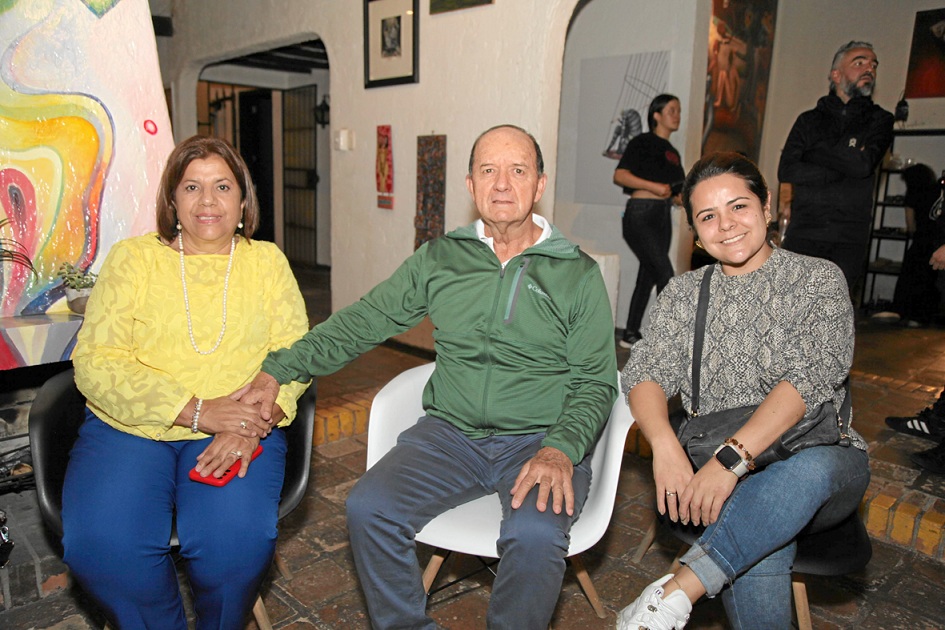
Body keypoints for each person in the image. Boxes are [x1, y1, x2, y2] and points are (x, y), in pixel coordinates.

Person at [243, 124, 618, 629]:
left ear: (540, 184)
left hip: (540, 440)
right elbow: (363, 321)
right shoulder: (442, 258)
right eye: (488, 170)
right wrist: (279, 369)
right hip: (449, 436)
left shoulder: (576, 273)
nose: (502, 184)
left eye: (517, 171)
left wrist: (560, 449)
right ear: (470, 185)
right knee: (368, 508)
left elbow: (597, 381)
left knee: (534, 535)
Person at [63, 135, 311, 629]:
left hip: (239, 428)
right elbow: (96, 360)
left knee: (233, 547)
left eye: (222, 186)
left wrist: (248, 423)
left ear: (243, 201)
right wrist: (197, 410)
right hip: (129, 430)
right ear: (172, 200)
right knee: (103, 547)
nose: (207, 201)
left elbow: (295, 354)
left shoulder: (266, 263)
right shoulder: (133, 260)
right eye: (191, 187)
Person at [616, 152, 870, 629]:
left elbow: (808, 378)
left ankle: (677, 591)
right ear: (693, 227)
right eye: (708, 216)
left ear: (767, 206)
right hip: (724, 478)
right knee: (758, 527)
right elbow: (644, 371)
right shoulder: (683, 294)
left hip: (821, 467)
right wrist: (665, 446)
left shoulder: (817, 279)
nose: (726, 225)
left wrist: (731, 461)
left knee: (802, 473)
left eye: (739, 206)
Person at [777, 40, 894, 291]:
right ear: (836, 74)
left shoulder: (880, 120)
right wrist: (845, 162)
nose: (869, 69)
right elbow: (787, 170)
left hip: (849, 237)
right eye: (859, 62)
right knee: (790, 311)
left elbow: (864, 166)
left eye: (873, 64)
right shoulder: (808, 120)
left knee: (835, 317)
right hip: (805, 232)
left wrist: (816, 152)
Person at [613, 94, 686, 348]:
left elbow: (676, 193)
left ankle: (630, 334)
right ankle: (665, 338)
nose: (677, 115)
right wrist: (655, 188)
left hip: (662, 214)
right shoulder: (642, 142)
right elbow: (620, 175)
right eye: (672, 110)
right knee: (665, 272)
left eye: (679, 110)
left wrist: (680, 198)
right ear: (656, 115)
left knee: (648, 275)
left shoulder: (673, 153)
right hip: (640, 212)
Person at [871, 164, 945, 326]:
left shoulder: (914, 194)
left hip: (921, 241)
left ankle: (900, 310)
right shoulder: (937, 192)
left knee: (910, 276)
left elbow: (911, 225)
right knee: (930, 280)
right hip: (937, 241)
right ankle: (921, 316)